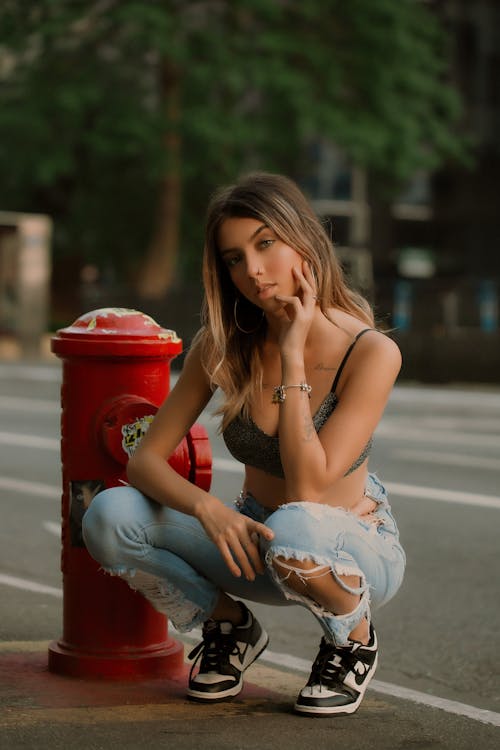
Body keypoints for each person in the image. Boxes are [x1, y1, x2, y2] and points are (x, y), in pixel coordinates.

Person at [82, 172, 405, 716]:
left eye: (265, 244)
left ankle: (353, 638)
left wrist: (294, 352)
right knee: (108, 516)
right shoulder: (224, 347)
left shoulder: (370, 352)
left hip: (345, 549)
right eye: (234, 259)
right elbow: (145, 463)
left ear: (303, 241)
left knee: (295, 523)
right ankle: (228, 627)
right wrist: (210, 510)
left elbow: (308, 487)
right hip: (253, 536)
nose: (253, 272)